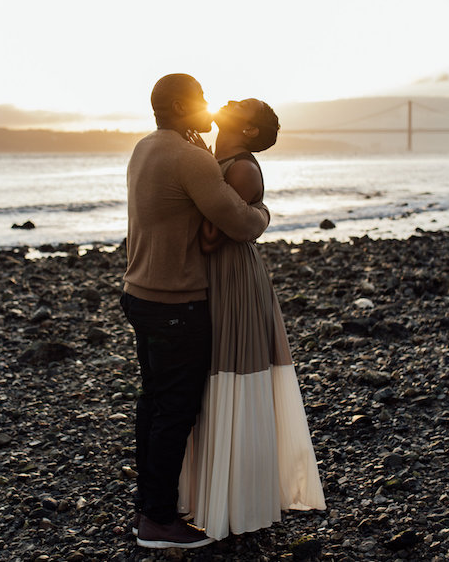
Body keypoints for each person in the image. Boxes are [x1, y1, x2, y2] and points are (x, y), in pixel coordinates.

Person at [121, 74, 272, 549]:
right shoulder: (193, 159)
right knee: (176, 411)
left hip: (139, 294)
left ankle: (149, 506)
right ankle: (159, 520)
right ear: (185, 106)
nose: (211, 104)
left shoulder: (146, 147)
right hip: (175, 302)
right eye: (202, 99)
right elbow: (240, 222)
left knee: (153, 404)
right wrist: (265, 212)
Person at [177, 98, 326, 541]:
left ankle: (237, 498)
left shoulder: (241, 168)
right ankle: (210, 489)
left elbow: (207, 238)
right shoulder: (214, 159)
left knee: (233, 374)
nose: (227, 102)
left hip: (232, 277)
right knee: (210, 375)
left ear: (248, 132)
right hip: (216, 276)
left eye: (238, 106)